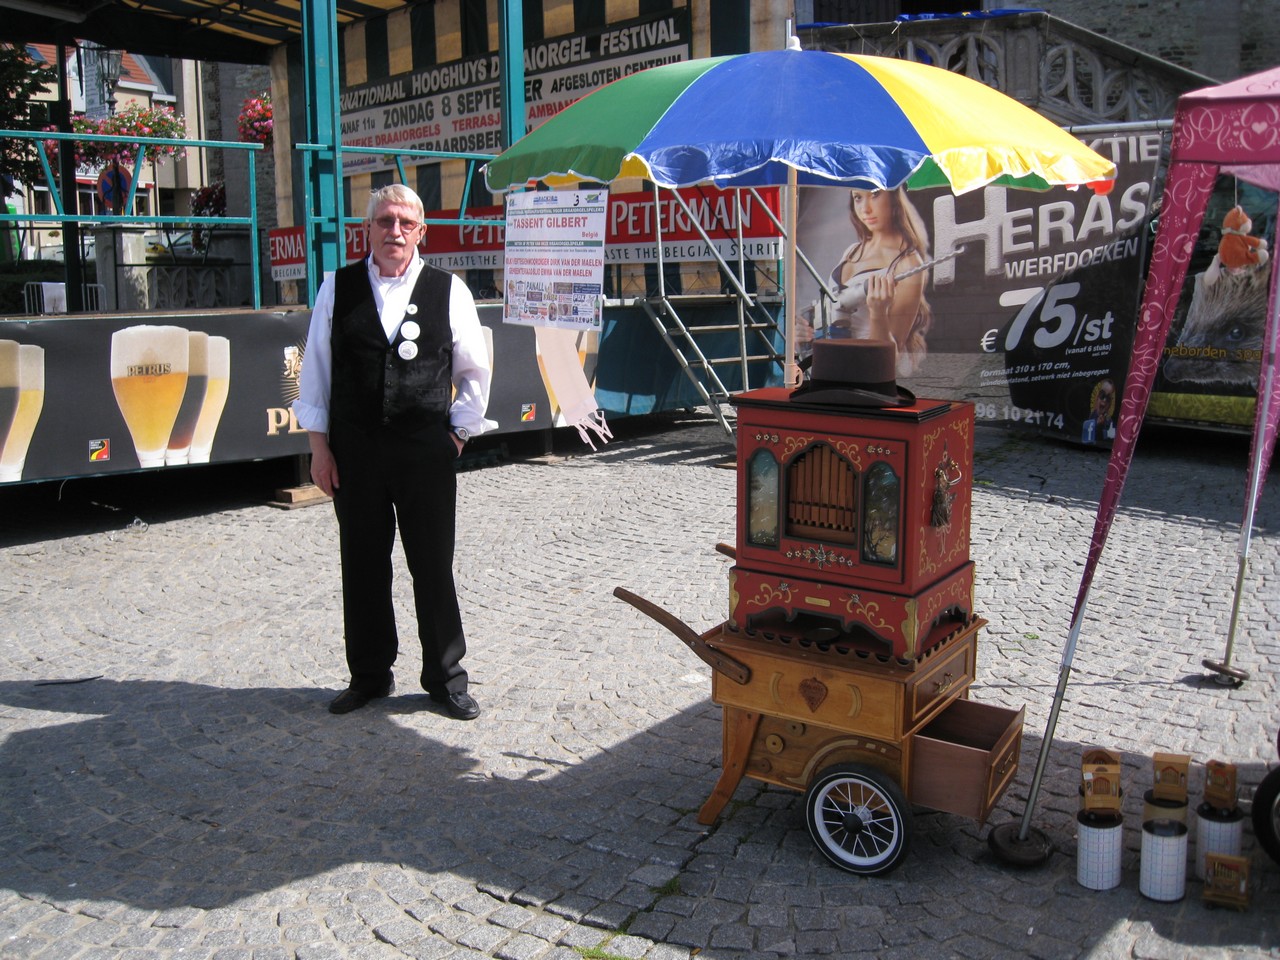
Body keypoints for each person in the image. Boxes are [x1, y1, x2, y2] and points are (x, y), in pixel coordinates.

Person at [294, 184, 495, 719]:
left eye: (406, 223)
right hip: (355, 451)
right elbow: (315, 372)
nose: (395, 232)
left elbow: (475, 371)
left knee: (432, 566)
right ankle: (368, 675)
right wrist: (320, 448)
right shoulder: (336, 288)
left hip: (424, 451)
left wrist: (456, 435)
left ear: (421, 231)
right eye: (385, 221)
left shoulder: (448, 290)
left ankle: (445, 678)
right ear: (368, 229)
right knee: (361, 566)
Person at [827, 186, 934, 376]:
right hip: (831, 369)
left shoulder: (907, 263)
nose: (865, 209)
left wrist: (878, 313)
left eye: (875, 195)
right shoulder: (852, 251)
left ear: (894, 197)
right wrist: (806, 333)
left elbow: (890, 359)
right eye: (858, 198)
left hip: (863, 377)